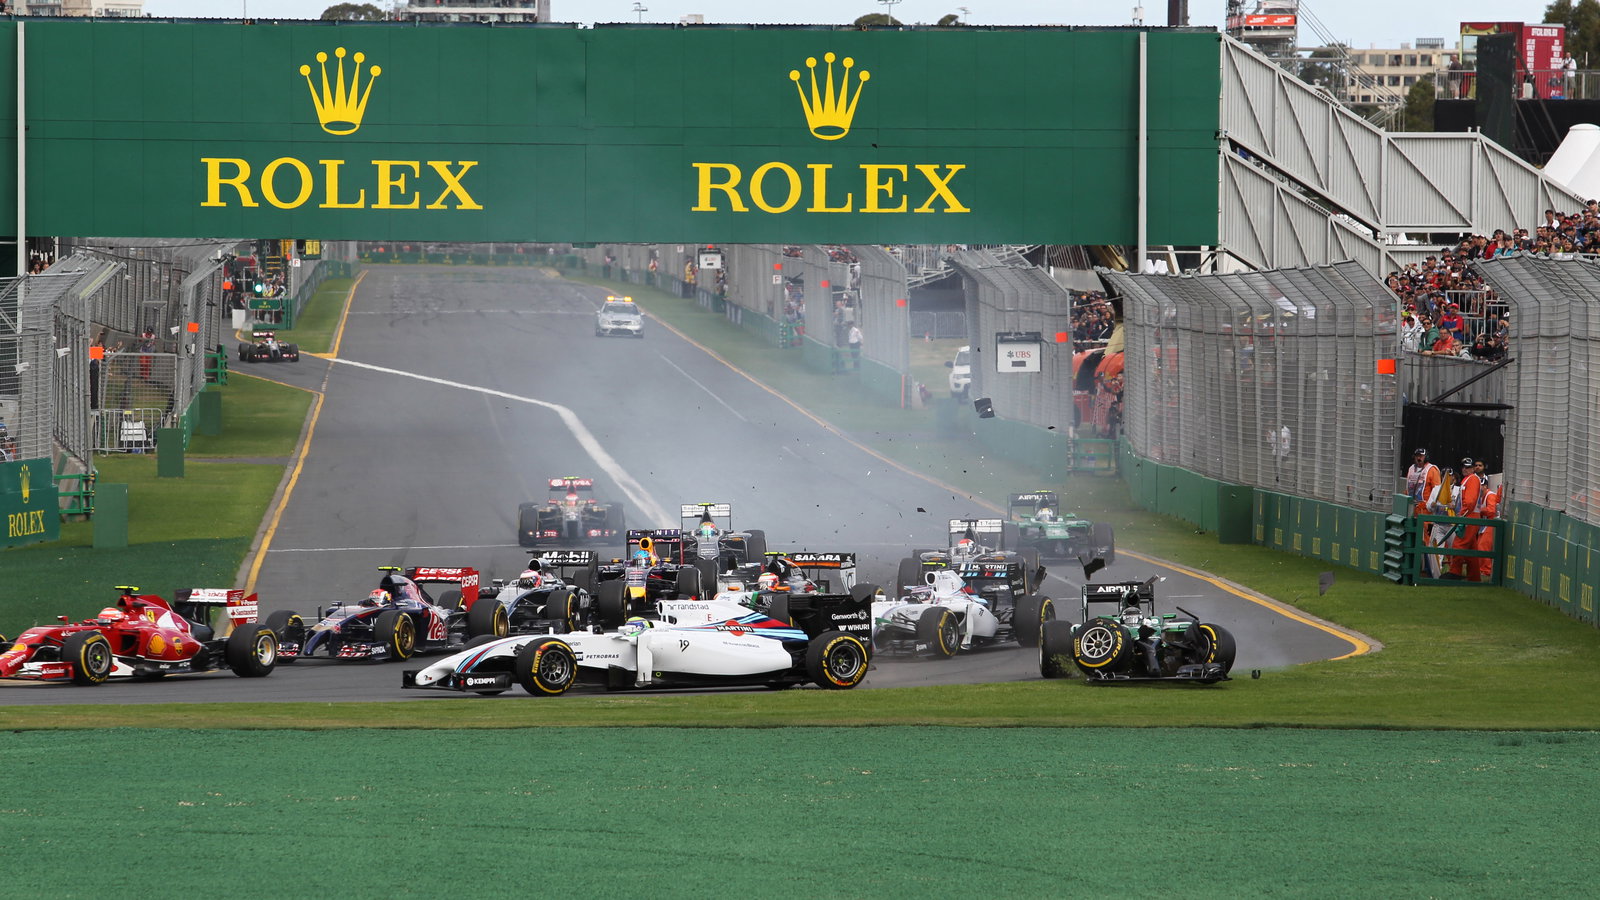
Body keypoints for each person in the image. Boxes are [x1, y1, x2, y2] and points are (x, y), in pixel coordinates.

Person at [1448, 457, 1486, 580]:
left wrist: (1462, 514)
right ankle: (1474, 577)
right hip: (1470, 516)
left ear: (1473, 468)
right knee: (1471, 550)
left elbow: (1469, 501)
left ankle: (1455, 573)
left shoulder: (1472, 480)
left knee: (1458, 545)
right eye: (1464, 466)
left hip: (1469, 516)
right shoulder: (1469, 479)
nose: (1465, 469)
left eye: (1468, 467)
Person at [1473, 470, 1501, 581]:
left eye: (1480, 486)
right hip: (1485, 524)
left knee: (1483, 547)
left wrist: (1479, 511)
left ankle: (1487, 570)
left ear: (1485, 486)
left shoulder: (1490, 495)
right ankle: (1481, 569)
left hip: (1492, 523)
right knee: (1479, 546)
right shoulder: (1480, 497)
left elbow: (1491, 510)